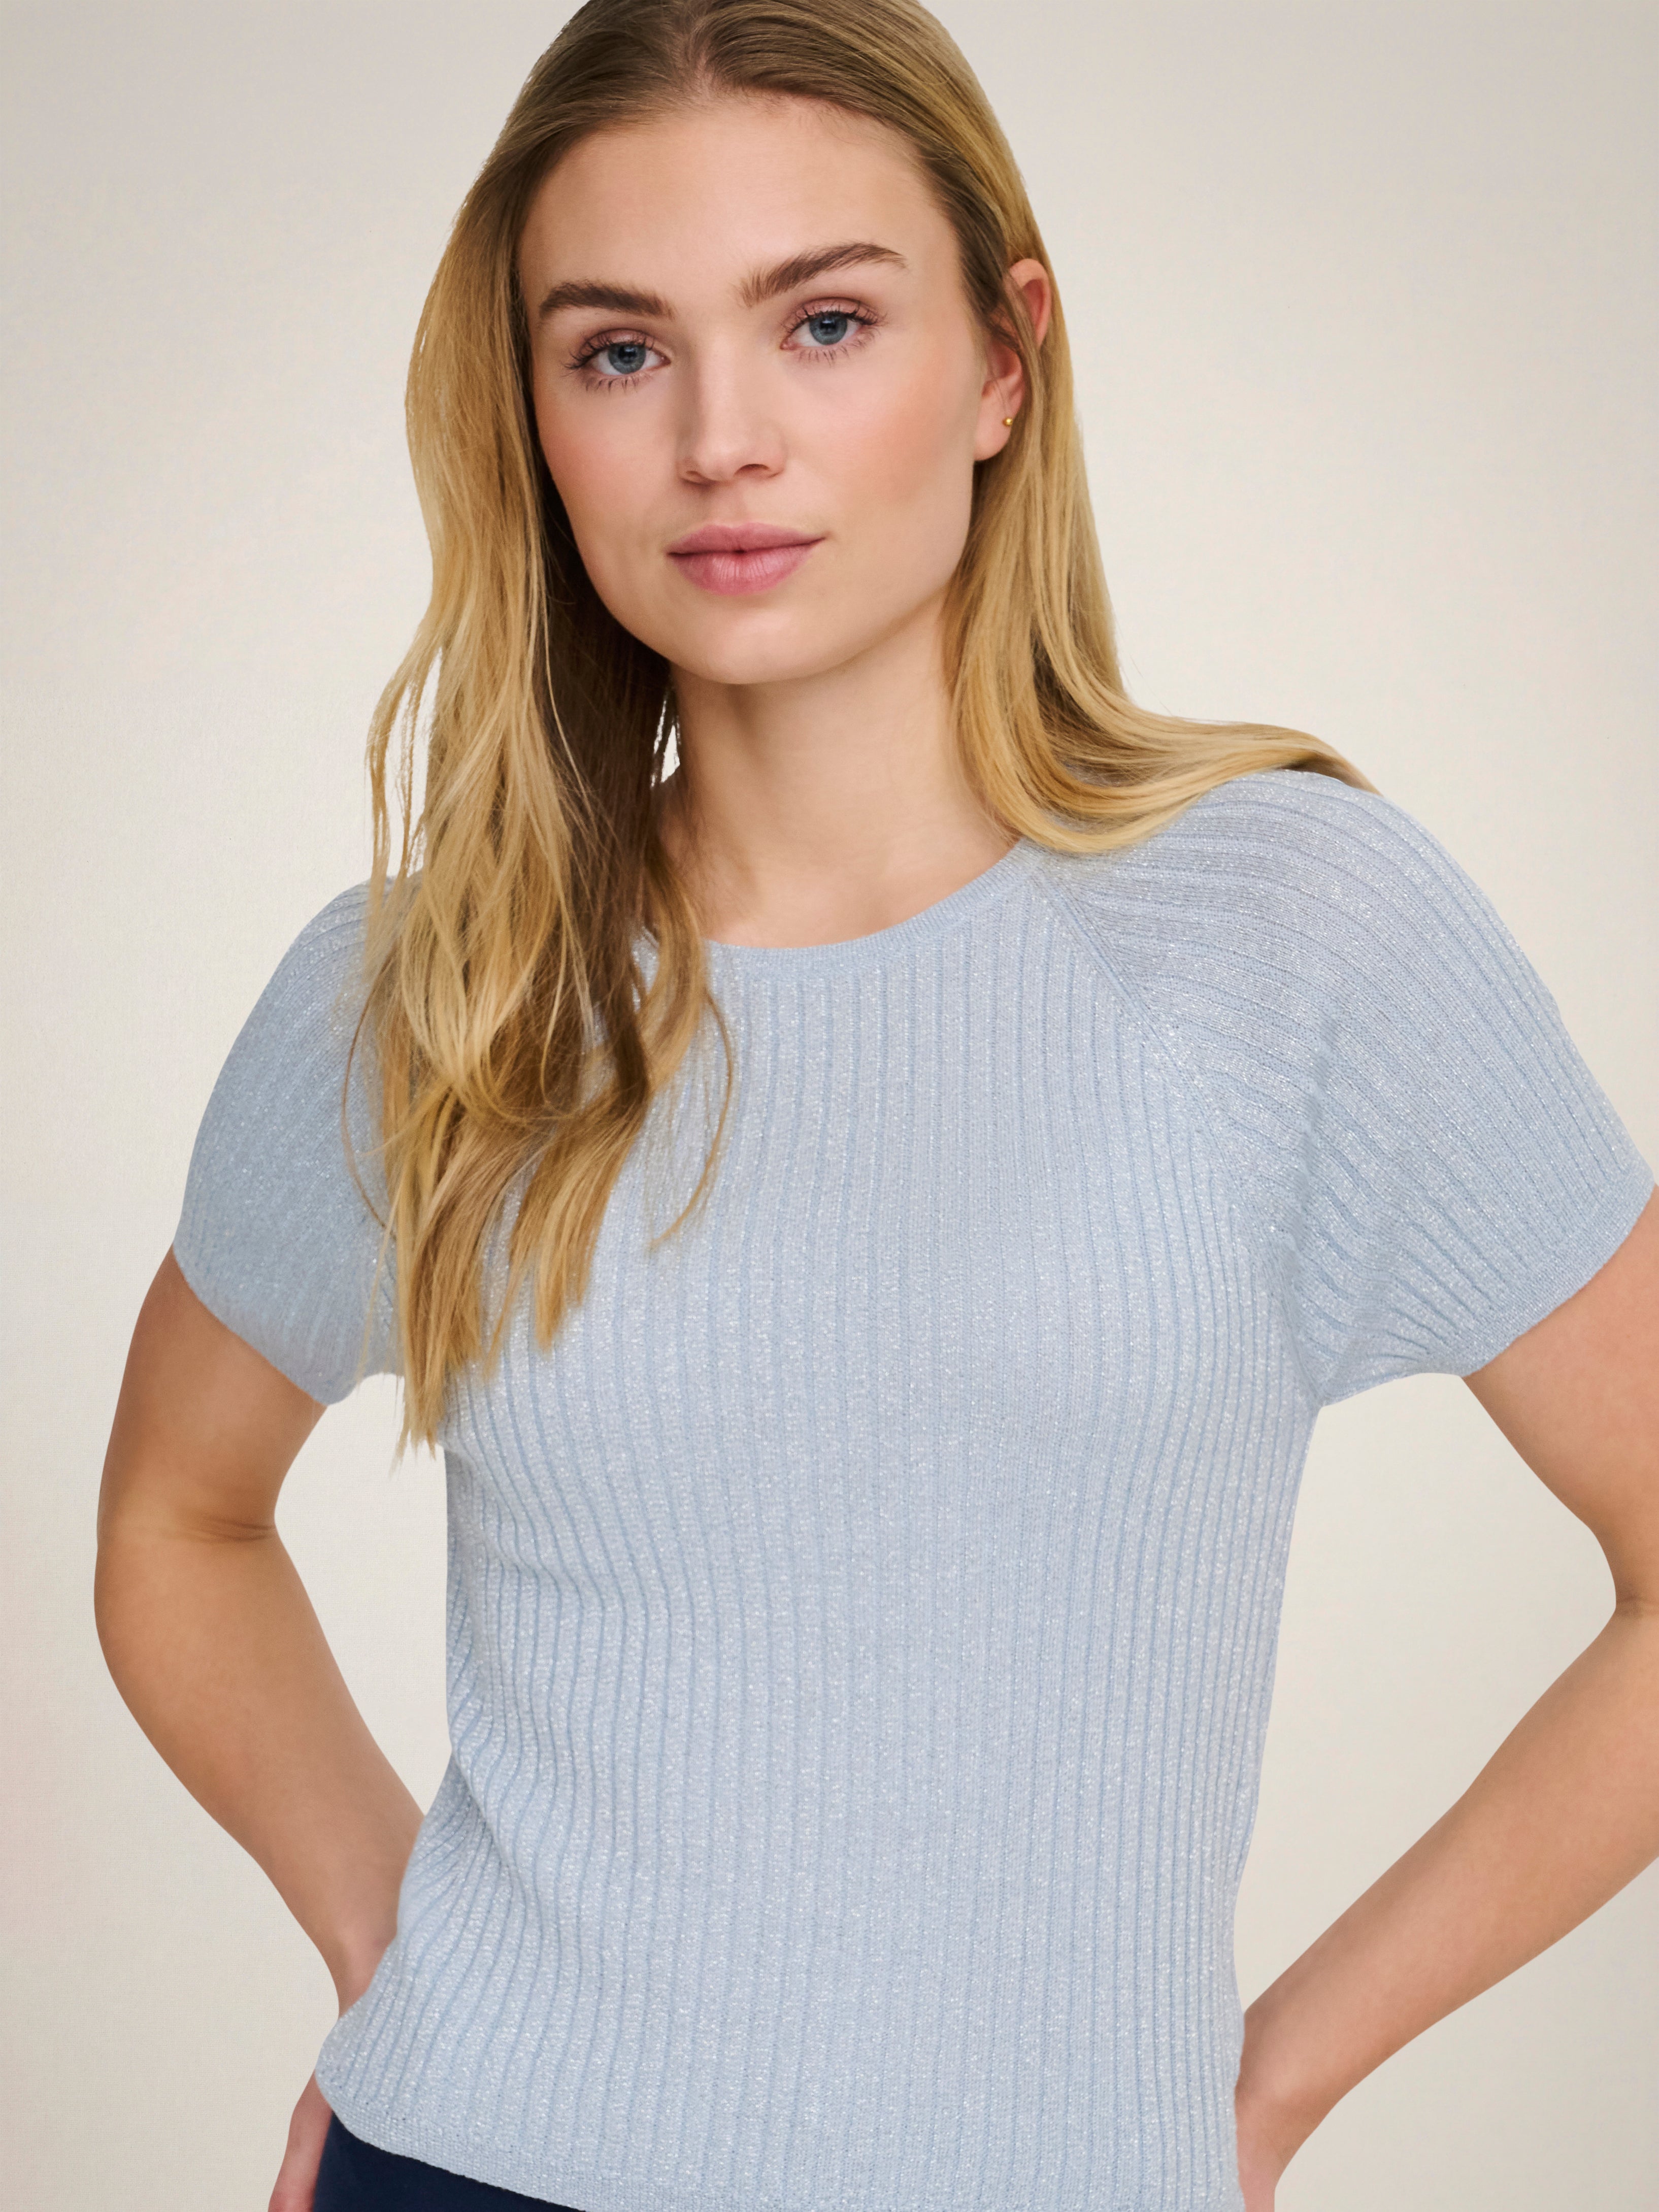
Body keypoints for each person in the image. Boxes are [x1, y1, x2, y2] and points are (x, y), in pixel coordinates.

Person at [93, 4, 1658, 2209]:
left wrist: (1265, 2091)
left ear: (1006, 358)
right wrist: (393, 1949)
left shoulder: (1294, 937)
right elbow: (174, 1522)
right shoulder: (438, 989)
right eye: (618, 351)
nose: (720, 440)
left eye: (822, 322)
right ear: (533, 415)